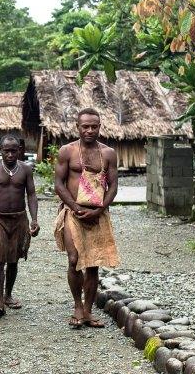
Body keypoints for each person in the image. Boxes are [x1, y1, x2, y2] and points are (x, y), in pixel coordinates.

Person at [53, 107, 120, 328]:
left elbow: (113, 186)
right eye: (85, 127)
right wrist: (74, 207)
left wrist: (99, 210)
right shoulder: (68, 151)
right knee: (74, 260)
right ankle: (77, 306)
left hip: (98, 213)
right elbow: (59, 184)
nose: (90, 130)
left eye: (94, 126)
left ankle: (88, 311)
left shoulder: (108, 153)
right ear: (78, 127)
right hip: (73, 212)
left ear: (100, 127)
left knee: (93, 264)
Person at [0, 135, 39, 317]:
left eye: (14, 150)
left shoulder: (26, 169)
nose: (10, 154)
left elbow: (32, 195)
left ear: (19, 150)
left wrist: (34, 220)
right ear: (0, 150)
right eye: (6, 150)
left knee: (13, 259)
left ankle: (8, 295)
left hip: (19, 219)